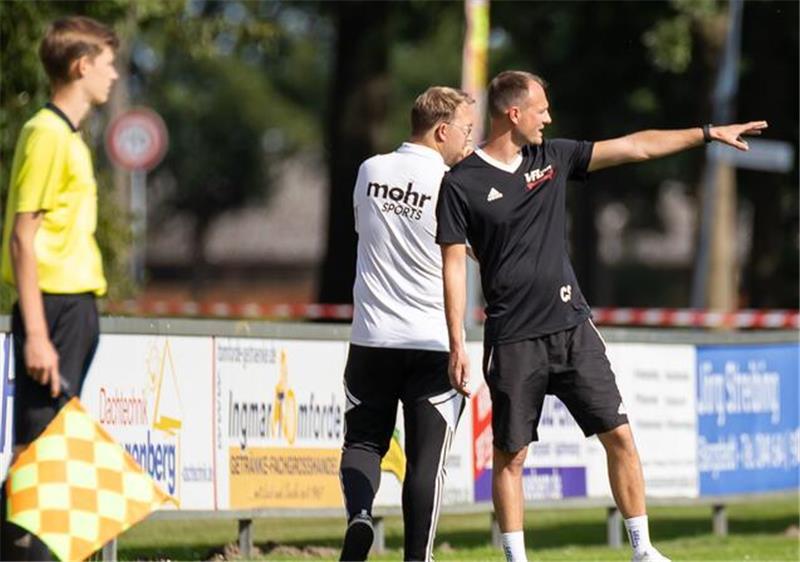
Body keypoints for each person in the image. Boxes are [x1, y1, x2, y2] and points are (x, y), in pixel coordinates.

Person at [435, 70, 767, 562]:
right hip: (513, 339)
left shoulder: (553, 158)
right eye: (541, 109)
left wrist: (706, 133)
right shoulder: (461, 184)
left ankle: (642, 550)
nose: (548, 117)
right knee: (512, 456)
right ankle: (515, 559)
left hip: (572, 328)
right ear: (514, 113)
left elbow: (636, 147)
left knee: (620, 437)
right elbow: (455, 267)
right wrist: (458, 342)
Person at [0, 16, 119, 561]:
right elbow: (23, 237)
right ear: (81, 65)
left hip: (76, 305)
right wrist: (37, 335)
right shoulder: (45, 133)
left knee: (52, 448)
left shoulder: (68, 136)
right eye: (108, 63)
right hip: (52, 306)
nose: (114, 75)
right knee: (39, 451)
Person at [339, 87, 475, 562]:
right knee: (425, 463)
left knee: (362, 441)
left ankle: (359, 515)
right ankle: (417, 559)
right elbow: (476, 252)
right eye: (466, 130)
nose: (469, 142)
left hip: (372, 338)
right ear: (442, 131)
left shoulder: (370, 170)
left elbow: (365, 230)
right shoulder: (454, 186)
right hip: (432, 341)